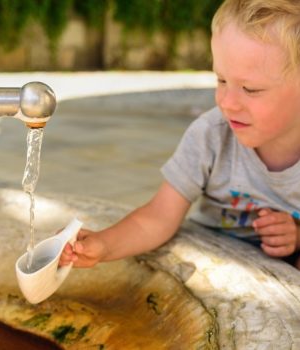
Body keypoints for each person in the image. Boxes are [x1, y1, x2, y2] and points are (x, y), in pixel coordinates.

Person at [60, 0, 300, 270]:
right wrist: (103, 245)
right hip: (214, 263)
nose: (227, 102)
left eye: (250, 89)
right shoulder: (212, 136)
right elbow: (158, 217)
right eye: (221, 80)